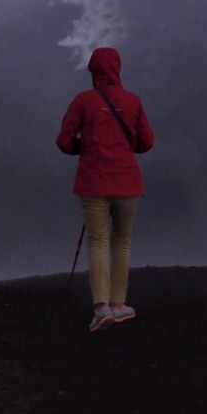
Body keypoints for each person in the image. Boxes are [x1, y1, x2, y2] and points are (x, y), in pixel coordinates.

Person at [56, 45, 155, 332]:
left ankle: (101, 308)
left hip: (94, 181)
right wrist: (125, 148)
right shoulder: (133, 101)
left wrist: (85, 148)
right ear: (118, 69)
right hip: (127, 182)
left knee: (98, 241)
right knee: (121, 242)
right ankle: (120, 304)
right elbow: (146, 142)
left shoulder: (83, 101)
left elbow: (63, 140)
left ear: (92, 70)